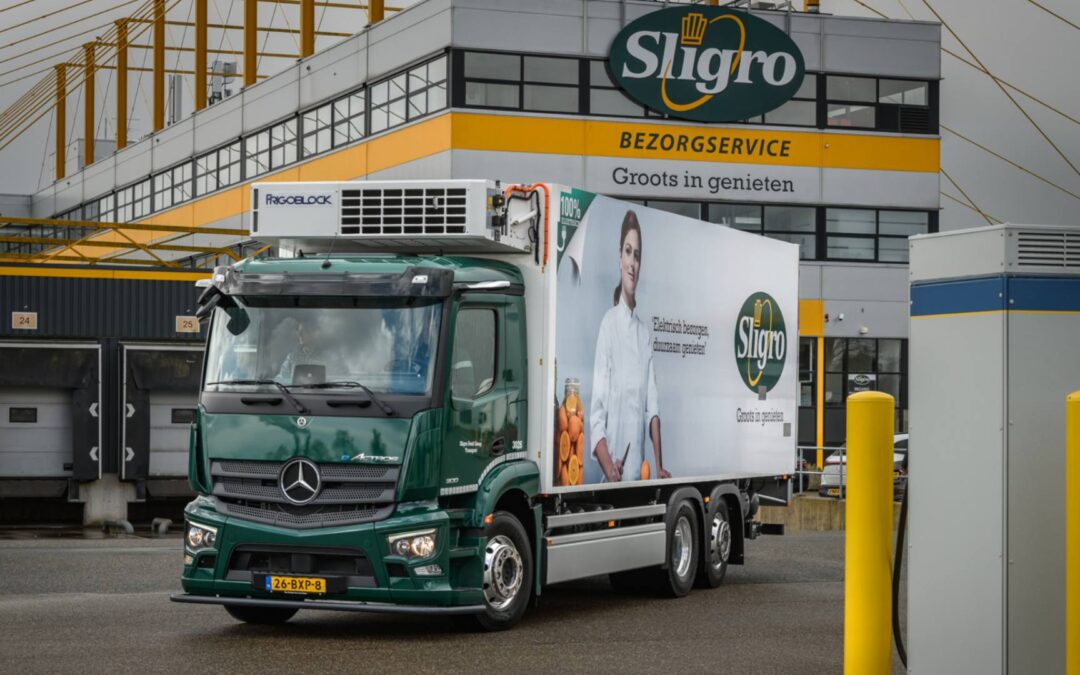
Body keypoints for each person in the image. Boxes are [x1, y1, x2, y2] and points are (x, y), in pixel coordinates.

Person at [589, 210, 671, 482]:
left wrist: (659, 466)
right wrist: (609, 467)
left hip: (641, 476)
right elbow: (597, 415)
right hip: (613, 474)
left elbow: (653, 408)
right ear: (619, 256)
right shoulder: (608, 325)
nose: (633, 262)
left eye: (637, 255)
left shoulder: (643, 334)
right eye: (628, 251)